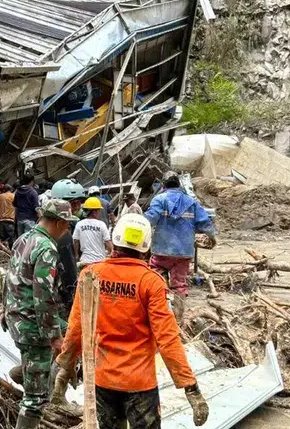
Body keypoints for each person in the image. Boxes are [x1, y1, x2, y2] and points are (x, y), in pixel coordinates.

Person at [54, 214, 209, 429]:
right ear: (146, 247)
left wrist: (65, 367)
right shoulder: (150, 282)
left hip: (103, 380)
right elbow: (167, 338)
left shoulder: (91, 274)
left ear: (115, 240)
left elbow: (76, 327)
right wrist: (190, 387)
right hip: (139, 385)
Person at [3, 199, 79, 429]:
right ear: (58, 223)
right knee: (35, 400)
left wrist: (4, 313)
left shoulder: (22, 239)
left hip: (16, 317)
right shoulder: (46, 249)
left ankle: (29, 374)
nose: (67, 230)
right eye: (66, 225)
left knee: (73, 331)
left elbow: (8, 279)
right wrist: (54, 336)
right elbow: (43, 295)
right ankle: (38, 382)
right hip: (32, 324)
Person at [144, 171, 216, 319]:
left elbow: (149, 220)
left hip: (161, 251)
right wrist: (212, 238)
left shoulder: (159, 199)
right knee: (179, 285)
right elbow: (205, 223)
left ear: (163, 186)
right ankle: (178, 319)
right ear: (179, 185)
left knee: (156, 281)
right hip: (184, 252)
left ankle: (157, 315)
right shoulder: (191, 202)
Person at [50, 179, 87, 319]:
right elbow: (69, 271)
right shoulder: (63, 235)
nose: (77, 207)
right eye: (74, 203)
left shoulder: (43, 228)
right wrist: (73, 293)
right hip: (57, 297)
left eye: (79, 202)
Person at [73, 197, 113, 269]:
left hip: (85, 262)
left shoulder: (79, 224)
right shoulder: (101, 224)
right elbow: (108, 242)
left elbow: (75, 242)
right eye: (98, 211)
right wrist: (112, 253)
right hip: (99, 262)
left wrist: (76, 256)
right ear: (94, 212)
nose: (99, 213)